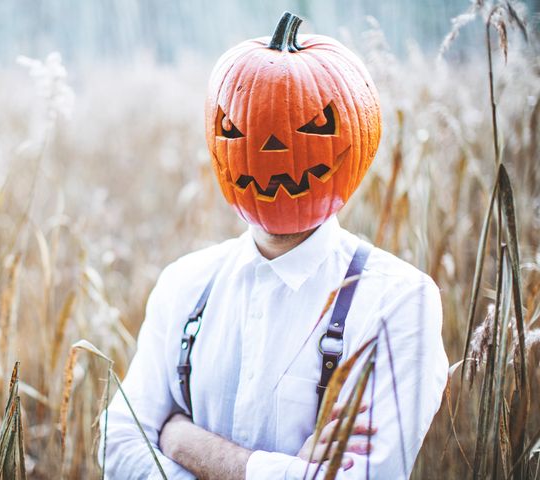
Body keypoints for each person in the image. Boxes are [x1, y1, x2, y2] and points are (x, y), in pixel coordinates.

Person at [101, 11, 448, 480]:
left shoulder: (398, 302)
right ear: (215, 140)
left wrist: (183, 440)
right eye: (236, 130)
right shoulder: (184, 284)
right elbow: (118, 445)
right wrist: (286, 471)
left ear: (359, 135)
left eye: (314, 128)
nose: (270, 155)